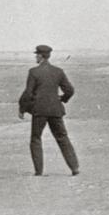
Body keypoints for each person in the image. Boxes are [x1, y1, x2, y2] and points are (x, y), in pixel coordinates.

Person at [18, 44, 80, 176]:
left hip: (39, 111)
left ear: (40, 56)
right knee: (63, 138)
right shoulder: (58, 71)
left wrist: (22, 108)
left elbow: (28, 93)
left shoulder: (33, 72)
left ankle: (38, 171)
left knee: (36, 139)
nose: (36, 56)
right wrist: (62, 99)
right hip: (55, 110)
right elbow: (70, 90)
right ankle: (74, 168)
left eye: (36, 55)